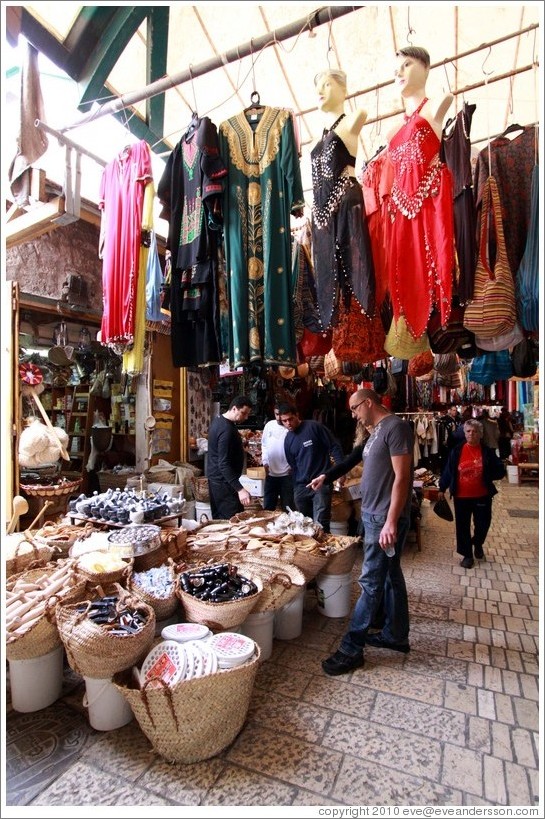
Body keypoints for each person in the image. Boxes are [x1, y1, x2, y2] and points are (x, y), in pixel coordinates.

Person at [308, 389, 414, 675]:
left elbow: (403, 478)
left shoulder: (396, 428)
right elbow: (354, 458)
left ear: (369, 402)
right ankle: (396, 635)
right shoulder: (375, 431)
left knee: (370, 581)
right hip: (373, 514)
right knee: (391, 575)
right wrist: (326, 476)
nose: (353, 414)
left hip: (383, 518)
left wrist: (392, 521)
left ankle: (351, 649)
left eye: (356, 408)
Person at [386, 45, 454, 341]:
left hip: (431, 206)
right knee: (406, 280)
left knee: (436, 268)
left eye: (408, 64)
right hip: (401, 216)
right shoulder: (391, 132)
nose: (400, 73)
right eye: (396, 69)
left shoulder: (439, 105)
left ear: (426, 67)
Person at [310, 69, 375, 330]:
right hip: (322, 218)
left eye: (327, 84)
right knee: (327, 282)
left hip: (346, 204)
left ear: (344, 89)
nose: (320, 91)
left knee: (356, 269)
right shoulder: (318, 137)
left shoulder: (353, 120)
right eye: (318, 86)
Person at [437, 418, 506, 569]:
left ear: (480, 434)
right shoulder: (457, 451)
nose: (471, 434)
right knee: (462, 526)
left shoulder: (487, 452)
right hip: (461, 496)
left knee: (483, 524)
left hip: (482, 495)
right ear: (464, 433)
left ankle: (478, 542)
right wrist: (442, 488)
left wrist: (487, 473)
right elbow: (448, 471)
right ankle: (467, 555)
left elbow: (501, 471)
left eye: (475, 432)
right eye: (468, 431)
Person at [279, 401, 344, 533]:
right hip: (301, 486)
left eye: (290, 419)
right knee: (304, 524)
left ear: (297, 415)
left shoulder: (313, 427)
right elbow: (293, 463)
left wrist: (341, 471)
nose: (288, 424)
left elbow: (334, 446)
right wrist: (297, 486)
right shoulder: (288, 439)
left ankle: (323, 552)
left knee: (320, 524)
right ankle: (311, 552)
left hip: (321, 482)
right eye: (284, 421)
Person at [206, 395, 253, 519]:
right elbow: (223, 463)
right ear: (234, 409)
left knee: (220, 521)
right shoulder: (226, 429)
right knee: (233, 521)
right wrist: (240, 490)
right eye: (243, 413)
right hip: (223, 483)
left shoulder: (219, 421)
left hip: (217, 480)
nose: (246, 417)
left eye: (247, 414)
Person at [261, 401, 294, 512]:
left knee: (289, 508)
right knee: (268, 508)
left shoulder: (290, 427)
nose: (279, 418)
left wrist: (294, 466)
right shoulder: (269, 425)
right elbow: (264, 444)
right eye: (276, 414)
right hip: (271, 474)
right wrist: (265, 461)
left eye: (281, 415)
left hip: (287, 475)